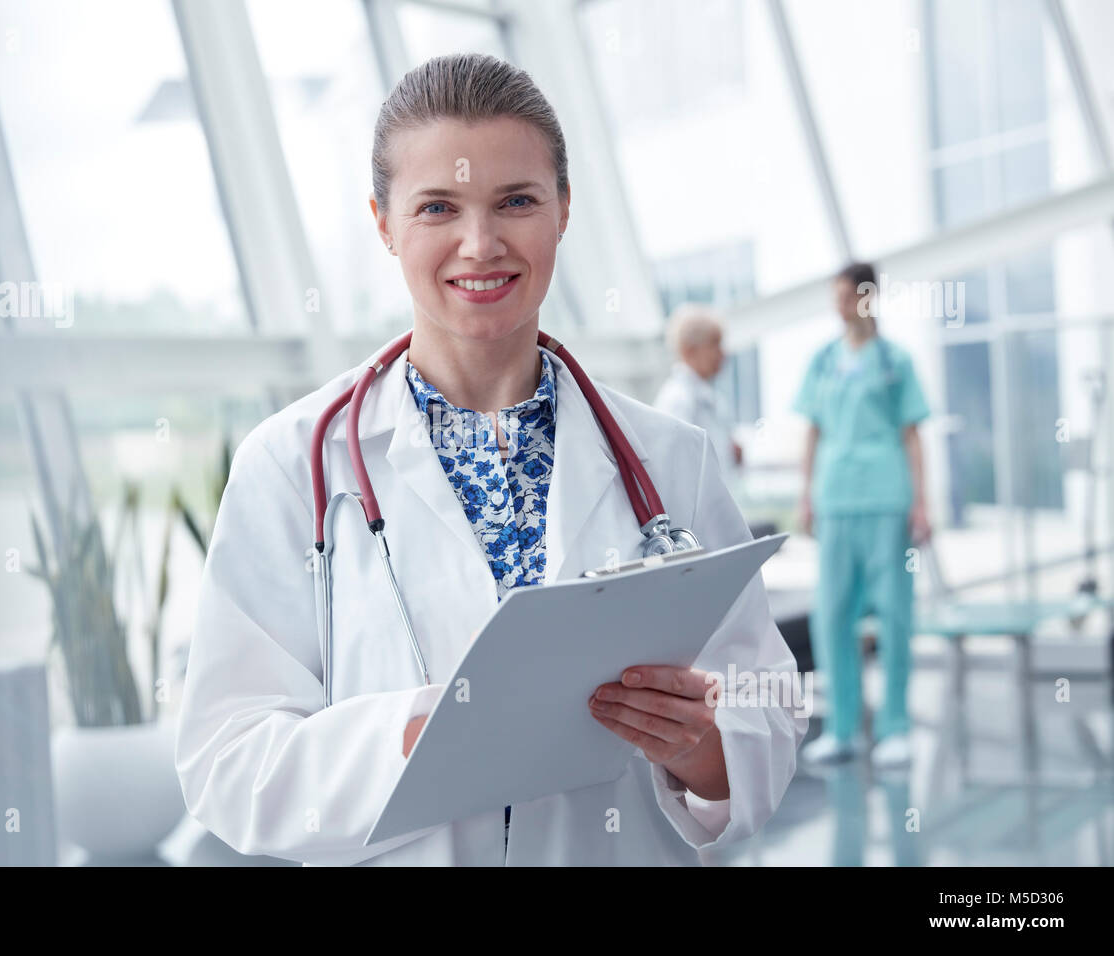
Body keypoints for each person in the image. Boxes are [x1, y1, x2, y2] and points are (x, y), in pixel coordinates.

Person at [175, 53, 806, 866]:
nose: (481, 245)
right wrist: (408, 736)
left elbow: (767, 703)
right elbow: (227, 760)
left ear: (564, 210)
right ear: (384, 222)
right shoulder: (291, 466)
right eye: (438, 207)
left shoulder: (667, 457)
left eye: (517, 201)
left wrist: (700, 746)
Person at [793, 262, 931, 770]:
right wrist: (805, 494)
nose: (838, 304)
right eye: (835, 295)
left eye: (845, 295)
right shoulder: (824, 361)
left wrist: (922, 502)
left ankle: (895, 727)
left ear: (867, 297)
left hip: (887, 499)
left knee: (895, 614)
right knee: (830, 615)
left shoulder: (896, 362)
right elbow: (812, 431)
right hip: (836, 500)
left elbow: (912, 436)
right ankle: (844, 729)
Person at [653, 305, 742, 478]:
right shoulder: (677, 399)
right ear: (689, 350)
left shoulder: (710, 398)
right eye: (714, 344)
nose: (722, 353)